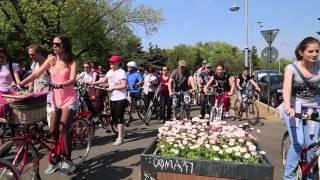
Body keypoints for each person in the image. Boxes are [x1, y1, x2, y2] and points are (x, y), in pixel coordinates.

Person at [19, 35, 79, 174]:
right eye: (53, 44)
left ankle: (68, 161)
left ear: (65, 46)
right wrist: (21, 83)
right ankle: (57, 159)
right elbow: (36, 74)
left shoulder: (71, 61)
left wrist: (60, 84)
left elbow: (72, 80)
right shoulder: (51, 59)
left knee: (63, 128)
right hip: (55, 98)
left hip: (69, 99)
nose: (54, 46)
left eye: (57, 44)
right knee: (52, 130)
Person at [281, 37, 320, 180]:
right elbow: (286, 89)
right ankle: (289, 176)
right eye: (310, 51)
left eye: (317, 51)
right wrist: (287, 106)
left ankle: (310, 176)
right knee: (299, 142)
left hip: (314, 109)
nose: (314, 54)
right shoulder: (291, 68)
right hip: (293, 108)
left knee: (312, 145)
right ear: (301, 52)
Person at [91, 55, 127, 146]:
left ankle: (120, 138)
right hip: (112, 97)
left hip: (121, 97)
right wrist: (93, 83)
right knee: (114, 118)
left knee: (119, 118)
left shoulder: (121, 72)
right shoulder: (110, 71)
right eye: (110, 62)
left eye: (112, 62)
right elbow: (104, 80)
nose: (110, 63)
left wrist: (113, 88)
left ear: (118, 63)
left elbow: (124, 85)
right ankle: (122, 132)